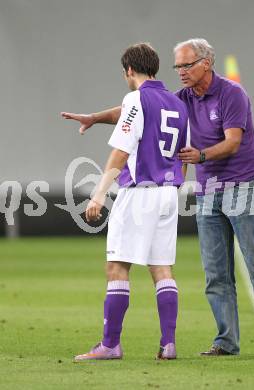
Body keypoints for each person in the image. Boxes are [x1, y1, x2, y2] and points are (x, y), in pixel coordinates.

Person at [61, 38, 254, 357]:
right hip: (204, 190)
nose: (180, 72)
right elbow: (134, 110)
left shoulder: (232, 94)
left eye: (186, 65)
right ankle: (223, 341)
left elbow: (233, 142)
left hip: (241, 186)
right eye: (177, 66)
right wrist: (94, 117)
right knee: (213, 273)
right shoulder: (180, 100)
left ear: (207, 63)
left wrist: (199, 157)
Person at [66, 43, 189, 361]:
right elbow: (184, 154)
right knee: (162, 268)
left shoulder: (135, 98)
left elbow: (120, 152)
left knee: (117, 267)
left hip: (138, 194)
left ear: (129, 71)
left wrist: (98, 193)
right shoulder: (177, 103)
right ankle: (168, 344)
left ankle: (110, 344)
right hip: (167, 194)